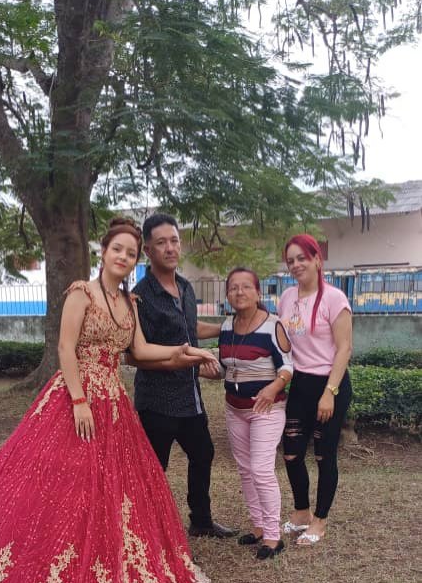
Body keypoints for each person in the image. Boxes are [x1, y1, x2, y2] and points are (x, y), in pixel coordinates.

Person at [0, 217, 216, 583]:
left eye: (131, 253)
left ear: (136, 260)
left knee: (112, 487)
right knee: (62, 483)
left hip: (114, 402)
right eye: (118, 249)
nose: (124, 257)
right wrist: (79, 400)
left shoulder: (130, 302)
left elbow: (139, 350)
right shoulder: (81, 292)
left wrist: (183, 351)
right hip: (73, 398)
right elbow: (66, 348)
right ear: (104, 251)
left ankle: (101, 554)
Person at [129, 213, 238, 539]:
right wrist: (178, 362)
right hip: (157, 401)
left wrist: (227, 327)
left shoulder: (186, 288)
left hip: (190, 398)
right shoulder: (140, 295)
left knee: (203, 453)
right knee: (154, 468)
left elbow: (191, 328)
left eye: (174, 241)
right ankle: (147, 530)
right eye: (161, 242)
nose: (170, 248)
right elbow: (136, 355)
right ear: (148, 250)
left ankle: (201, 521)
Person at [212, 268, 293, 560]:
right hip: (235, 409)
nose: (239, 292)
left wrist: (273, 388)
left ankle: (273, 537)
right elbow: (225, 368)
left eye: (246, 286)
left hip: (266, 410)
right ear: (228, 295)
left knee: (261, 469)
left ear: (258, 292)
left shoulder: (273, 325)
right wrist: (200, 366)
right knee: (245, 470)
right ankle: (258, 527)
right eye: (233, 288)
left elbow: (287, 366)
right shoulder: (227, 326)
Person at [278, 234, 353, 546]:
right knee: (292, 452)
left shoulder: (335, 299)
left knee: (324, 455)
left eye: (302, 258)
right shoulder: (286, 297)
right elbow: (283, 343)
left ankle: (320, 521)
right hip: (301, 384)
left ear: (317, 260)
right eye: (290, 260)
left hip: (329, 384)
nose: (296, 265)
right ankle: (301, 513)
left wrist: (329, 392)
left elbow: (344, 348)